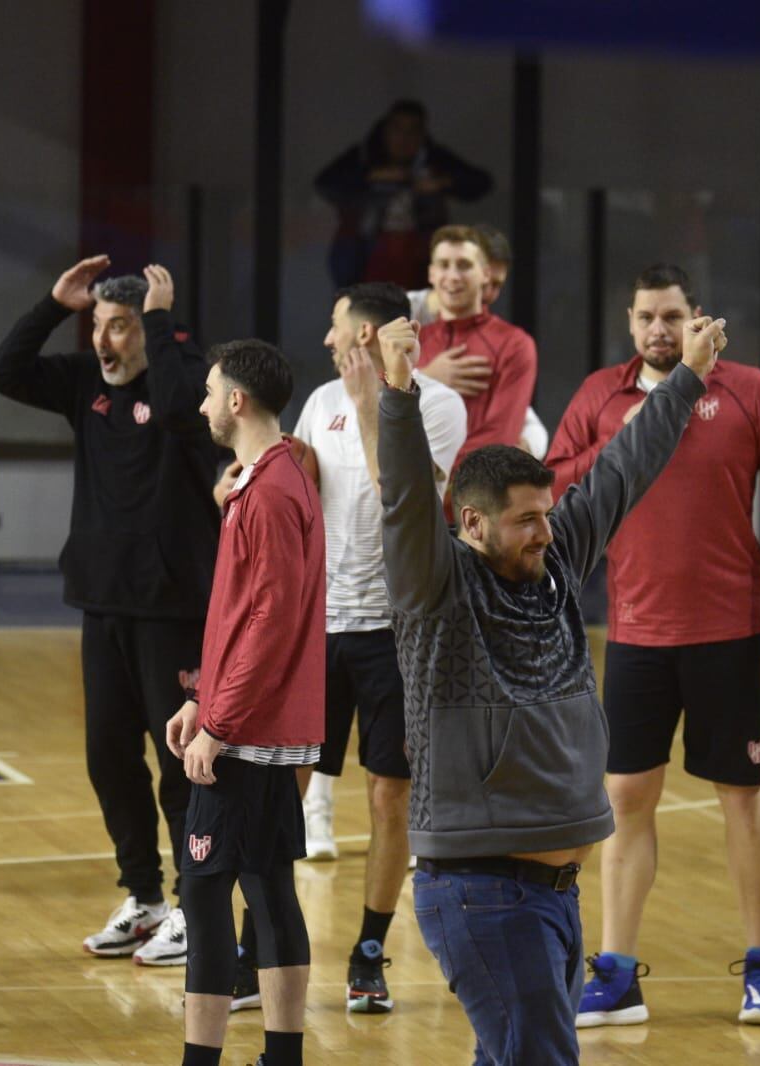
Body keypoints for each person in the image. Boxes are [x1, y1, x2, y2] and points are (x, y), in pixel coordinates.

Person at [375, 309, 728, 1064]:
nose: (545, 531)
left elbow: (622, 469)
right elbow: (406, 503)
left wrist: (687, 376)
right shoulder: (435, 590)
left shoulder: (556, 560)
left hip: (553, 892)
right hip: (484, 891)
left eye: (545, 514)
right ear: (471, 523)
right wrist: (398, 396)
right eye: (525, 521)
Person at [546, 264, 760, 1029]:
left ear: (698, 318)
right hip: (636, 633)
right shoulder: (602, 397)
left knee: (743, 798)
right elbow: (556, 477)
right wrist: (624, 438)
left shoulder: (750, 392)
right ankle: (618, 972)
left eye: (671, 316)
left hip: (731, 631)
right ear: (629, 325)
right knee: (625, 799)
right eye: (644, 318)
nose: (657, 330)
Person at [0, 258, 219, 966]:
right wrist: (54, 306)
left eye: (119, 328)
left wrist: (158, 324)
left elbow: (182, 411)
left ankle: (193, 906)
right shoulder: (86, 382)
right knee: (107, 757)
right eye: (98, 327)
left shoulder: (188, 379)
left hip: (173, 607)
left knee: (179, 764)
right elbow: (5, 370)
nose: (104, 342)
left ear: (151, 330)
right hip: (102, 601)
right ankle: (145, 897)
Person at [267, 282, 464, 1015]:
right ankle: (266, 933)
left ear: (370, 336)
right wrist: (263, 465)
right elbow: (303, 487)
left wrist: (368, 406)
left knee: (390, 795)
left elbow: (403, 501)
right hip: (319, 626)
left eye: (335, 327)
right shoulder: (319, 401)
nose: (325, 340)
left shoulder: (439, 407)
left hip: (397, 632)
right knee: (280, 784)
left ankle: (370, 949)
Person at [167, 339, 325, 1066]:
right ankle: (281, 1058)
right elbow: (245, 611)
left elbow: (269, 617)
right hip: (263, 725)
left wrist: (218, 724)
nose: (201, 404)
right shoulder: (271, 478)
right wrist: (202, 697)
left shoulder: (266, 493)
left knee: (204, 894)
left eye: (208, 391)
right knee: (268, 888)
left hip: (249, 733)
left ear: (237, 400)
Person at [315, 99, 493, 290]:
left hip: (419, 258)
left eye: (413, 131)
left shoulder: (432, 158)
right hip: (364, 256)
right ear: (385, 131)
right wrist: (372, 176)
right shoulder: (364, 156)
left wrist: (442, 182)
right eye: (397, 129)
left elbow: (480, 183)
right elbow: (325, 184)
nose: (404, 138)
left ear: (422, 135)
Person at [406, 224, 547, 458]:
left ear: (485, 273)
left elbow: (502, 435)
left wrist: (431, 476)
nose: (452, 276)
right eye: (443, 265)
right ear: (431, 273)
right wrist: (423, 377)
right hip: (410, 488)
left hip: (470, 490)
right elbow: (377, 392)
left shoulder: (514, 344)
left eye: (464, 265)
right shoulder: (408, 334)